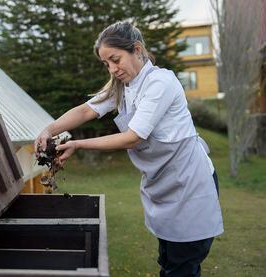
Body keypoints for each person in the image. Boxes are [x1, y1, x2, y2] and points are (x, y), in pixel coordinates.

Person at [34, 20, 223, 276]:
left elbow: (133, 137)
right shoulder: (123, 87)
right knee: (168, 261)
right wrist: (49, 130)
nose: (112, 69)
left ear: (136, 49)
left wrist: (78, 143)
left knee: (183, 266)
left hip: (190, 184)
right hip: (161, 184)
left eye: (116, 59)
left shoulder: (160, 83)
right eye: (106, 64)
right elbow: (86, 110)